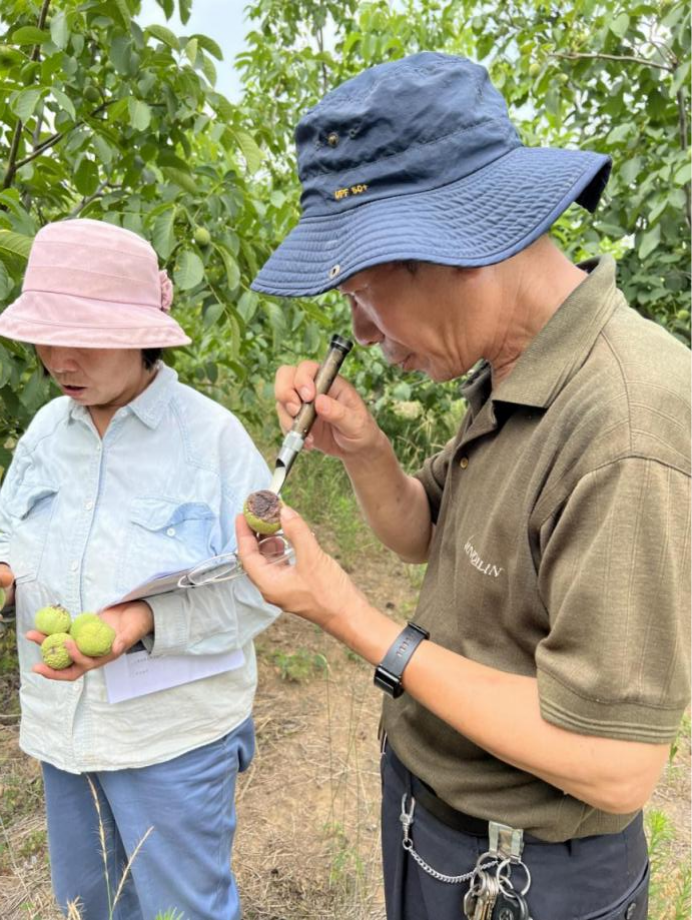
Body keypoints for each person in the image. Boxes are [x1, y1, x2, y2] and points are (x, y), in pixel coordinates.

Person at [237, 52, 692, 920]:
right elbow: (427, 532)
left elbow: (617, 761)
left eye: (368, 297)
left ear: (462, 240)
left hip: (530, 878)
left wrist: (348, 613)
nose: (363, 336)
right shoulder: (510, 366)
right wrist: (366, 451)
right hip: (434, 822)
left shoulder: (627, 421)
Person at [0, 218, 279, 920]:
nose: (58, 359)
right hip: (66, 734)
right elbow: (9, 540)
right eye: (45, 336)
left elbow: (269, 584)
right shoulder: (43, 436)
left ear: (141, 334)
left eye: (83, 339)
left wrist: (143, 620)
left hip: (172, 740)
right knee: (89, 905)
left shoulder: (210, 439)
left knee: (180, 911)